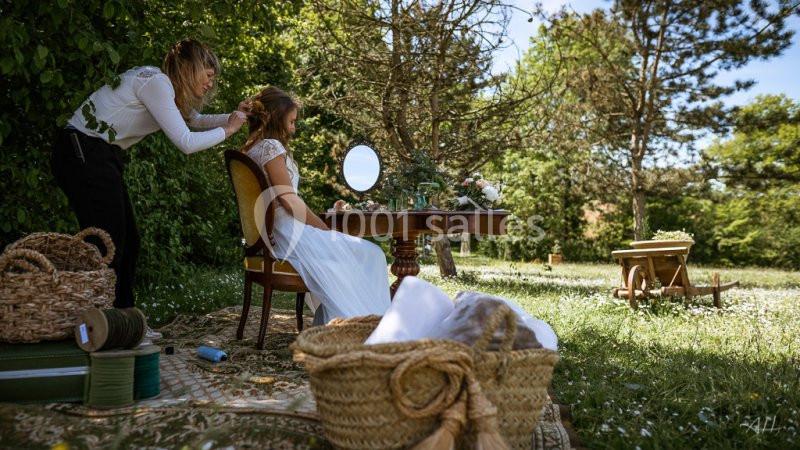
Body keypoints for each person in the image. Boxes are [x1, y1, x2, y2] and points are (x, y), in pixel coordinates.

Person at [51, 38, 247, 319]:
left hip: (99, 154)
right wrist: (229, 131)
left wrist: (235, 117)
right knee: (107, 242)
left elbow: (195, 120)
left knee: (128, 241)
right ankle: (101, 321)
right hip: (82, 150)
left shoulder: (166, 90)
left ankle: (124, 320)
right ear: (190, 68)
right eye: (207, 75)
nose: (210, 84)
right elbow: (187, 142)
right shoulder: (156, 83)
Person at [241, 86, 391, 324]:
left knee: (354, 256)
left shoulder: (250, 150)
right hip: (288, 234)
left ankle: (344, 322)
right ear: (276, 118)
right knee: (373, 254)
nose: (293, 128)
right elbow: (289, 202)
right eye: (291, 122)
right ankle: (365, 325)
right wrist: (325, 230)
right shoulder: (271, 147)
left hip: (272, 235)